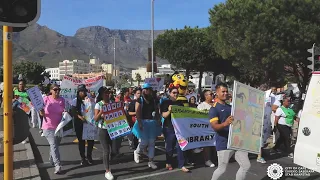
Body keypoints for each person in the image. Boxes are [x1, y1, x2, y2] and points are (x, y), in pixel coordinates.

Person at [210, 83, 250, 180]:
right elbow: (214, 127)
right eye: (223, 91)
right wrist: (225, 123)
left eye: (226, 91)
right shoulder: (214, 109)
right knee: (222, 169)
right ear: (217, 93)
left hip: (237, 142)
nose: (225, 93)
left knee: (246, 166)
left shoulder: (231, 107)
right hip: (224, 143)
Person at [161, 86, 190, 172]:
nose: (175, 94)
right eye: (173, 93)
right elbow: (164, 115)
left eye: (176, 93)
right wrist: (169, 111)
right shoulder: (165, 103)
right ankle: (168, 162)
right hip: (169, 127)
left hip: (179, 128)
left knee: (180, 146)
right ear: (169, 93)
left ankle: (181, 165)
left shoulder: (180, 103)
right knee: (170, 147)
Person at [132, 83, 161, 169]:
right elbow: (137, 112)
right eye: (145, 89)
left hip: (152, 123)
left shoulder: (154, 100)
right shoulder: (139, 100)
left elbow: (157, 110)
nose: (146, 90)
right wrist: (140, 122)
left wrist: (158, 119)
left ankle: (151, 161)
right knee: (144, 142)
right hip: (143, 122)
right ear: (143, 90)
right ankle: (137, 152)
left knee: (152, 142)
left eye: (148, 89)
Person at [39, 84, 65, 174]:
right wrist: (41, 111)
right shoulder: (46, 99)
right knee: (53, 145)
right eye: (55, 89)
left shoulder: (62, 100)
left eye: (59, 89)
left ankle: (51, 159)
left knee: (55, 146)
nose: (57, 91)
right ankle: (58, 165)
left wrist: (65, 112)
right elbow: (41, 113)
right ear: (51, 90)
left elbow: (64, 111)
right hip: (48, 127)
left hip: (59, 127)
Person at [94, 87, 114, 180]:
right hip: (103, 130)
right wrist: (102, 111)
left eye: (108, 92)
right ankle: (107, 171)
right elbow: (96, 119)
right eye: (105, 93)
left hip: (112, 129)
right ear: (101, 94)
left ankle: (109, 165)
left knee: (114, 150)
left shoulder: (112, 103)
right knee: (106, 150)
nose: (107, 94)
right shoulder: (98, 104)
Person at [72, 84, 94, 165]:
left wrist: (90, 99)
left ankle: (89, 156)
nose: (83, 93)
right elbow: (73, 111)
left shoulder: (89, 99)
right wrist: (80, 117)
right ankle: (83, 157)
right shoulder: (75, 100)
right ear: (78, 92)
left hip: (89, 123)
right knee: (81, 141)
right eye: (81, 91)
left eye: (84, 91)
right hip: (79, 124)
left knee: (90, 140)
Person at [197, 90, 217, 168]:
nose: (212, 95)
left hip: (215, 127)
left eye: (213, 94)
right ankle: (207, 160)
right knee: (207, 145)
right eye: (211, 94)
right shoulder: (201, 106)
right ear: (205, 96)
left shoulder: (215, 105)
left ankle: (215, 158)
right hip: (206, 128)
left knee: (215, 144)